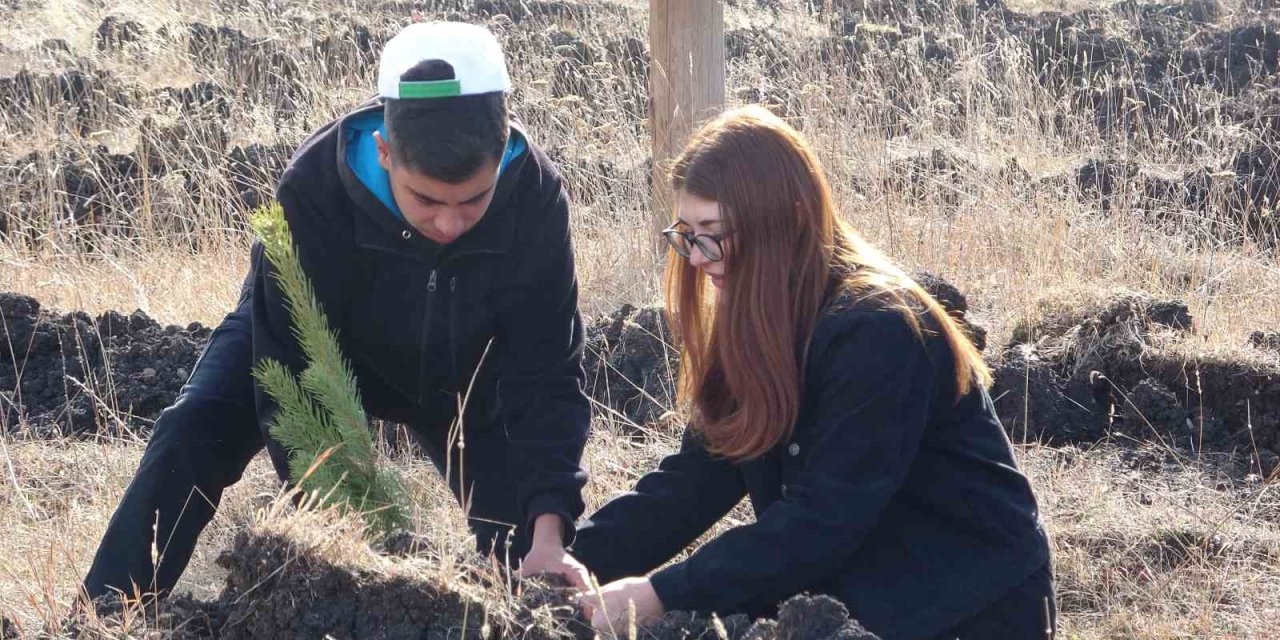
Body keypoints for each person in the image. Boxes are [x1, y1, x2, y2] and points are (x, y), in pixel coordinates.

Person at [82, 21, 592, 603]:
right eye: (426, 200)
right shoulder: (315, 186)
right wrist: (342, 540)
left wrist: (548, 530)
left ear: (501, 157)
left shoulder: (534, 197)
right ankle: (106, 612)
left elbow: (547, 374)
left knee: (529, 561)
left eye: (473, 200)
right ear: (383, 150)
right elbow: (294, 376)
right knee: (192, 427)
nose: (449, 224)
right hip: (315, 344)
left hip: (466, 371)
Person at [566, 106, 1056, 640]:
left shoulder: (879, 330)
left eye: (714, 232)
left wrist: (660, 594)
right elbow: (695, 481)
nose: (699, 257)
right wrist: (570, 563)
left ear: (791, 219)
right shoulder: (754, 317)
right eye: (686, 233)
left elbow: (821, 522)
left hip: (964, 606)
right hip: (853, 590)